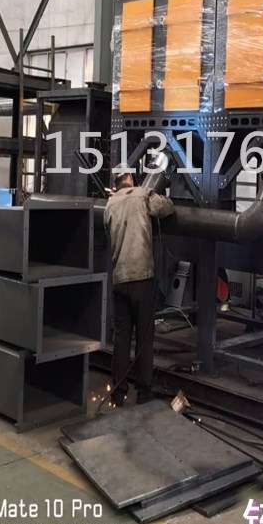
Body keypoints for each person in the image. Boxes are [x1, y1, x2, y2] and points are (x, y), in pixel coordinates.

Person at [104, 171, 174, 406]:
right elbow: (166, 208)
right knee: (144, 338)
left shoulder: (110, 204)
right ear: (130, 178)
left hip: (120, 279)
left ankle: (118, 392)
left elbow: (107, 227)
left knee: (122, 338)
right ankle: (143, 391)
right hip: (142, 278)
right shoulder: (143, 195)